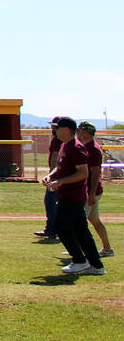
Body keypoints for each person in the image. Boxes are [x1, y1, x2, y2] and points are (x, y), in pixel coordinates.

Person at [42, 116, 104, 275]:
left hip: (73, 196)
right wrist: (51, 176)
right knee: (82, 231)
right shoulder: (65, 146)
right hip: (68, 195)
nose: (55, 130)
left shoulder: (76, 147)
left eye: (58, 127)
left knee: (61, 227)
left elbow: (83, 173)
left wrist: (61, 182)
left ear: (67, 129)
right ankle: (97, 266)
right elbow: (60, 167)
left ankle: (79, 260)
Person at [78, 121, 114, 257]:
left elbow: (96, 172)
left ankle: (82, 251)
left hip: (91, 191)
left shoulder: (93, 149)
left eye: (80, 130)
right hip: (89, 190)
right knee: (94, 220)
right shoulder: (84, 146)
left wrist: (91, 194)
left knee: (79, 222)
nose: (78, 132)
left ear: (86, 132)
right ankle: (107, 249)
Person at [34, 123, 62, 241]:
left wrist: (52, 175)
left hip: (56, 177)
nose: (52, 128)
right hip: (58, 176)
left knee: (50, 202)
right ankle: (55, 229)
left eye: (54, 126)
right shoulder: (62, 140)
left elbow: (55, 157)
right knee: (55, 203)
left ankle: (51, 230)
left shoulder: (57, 140)